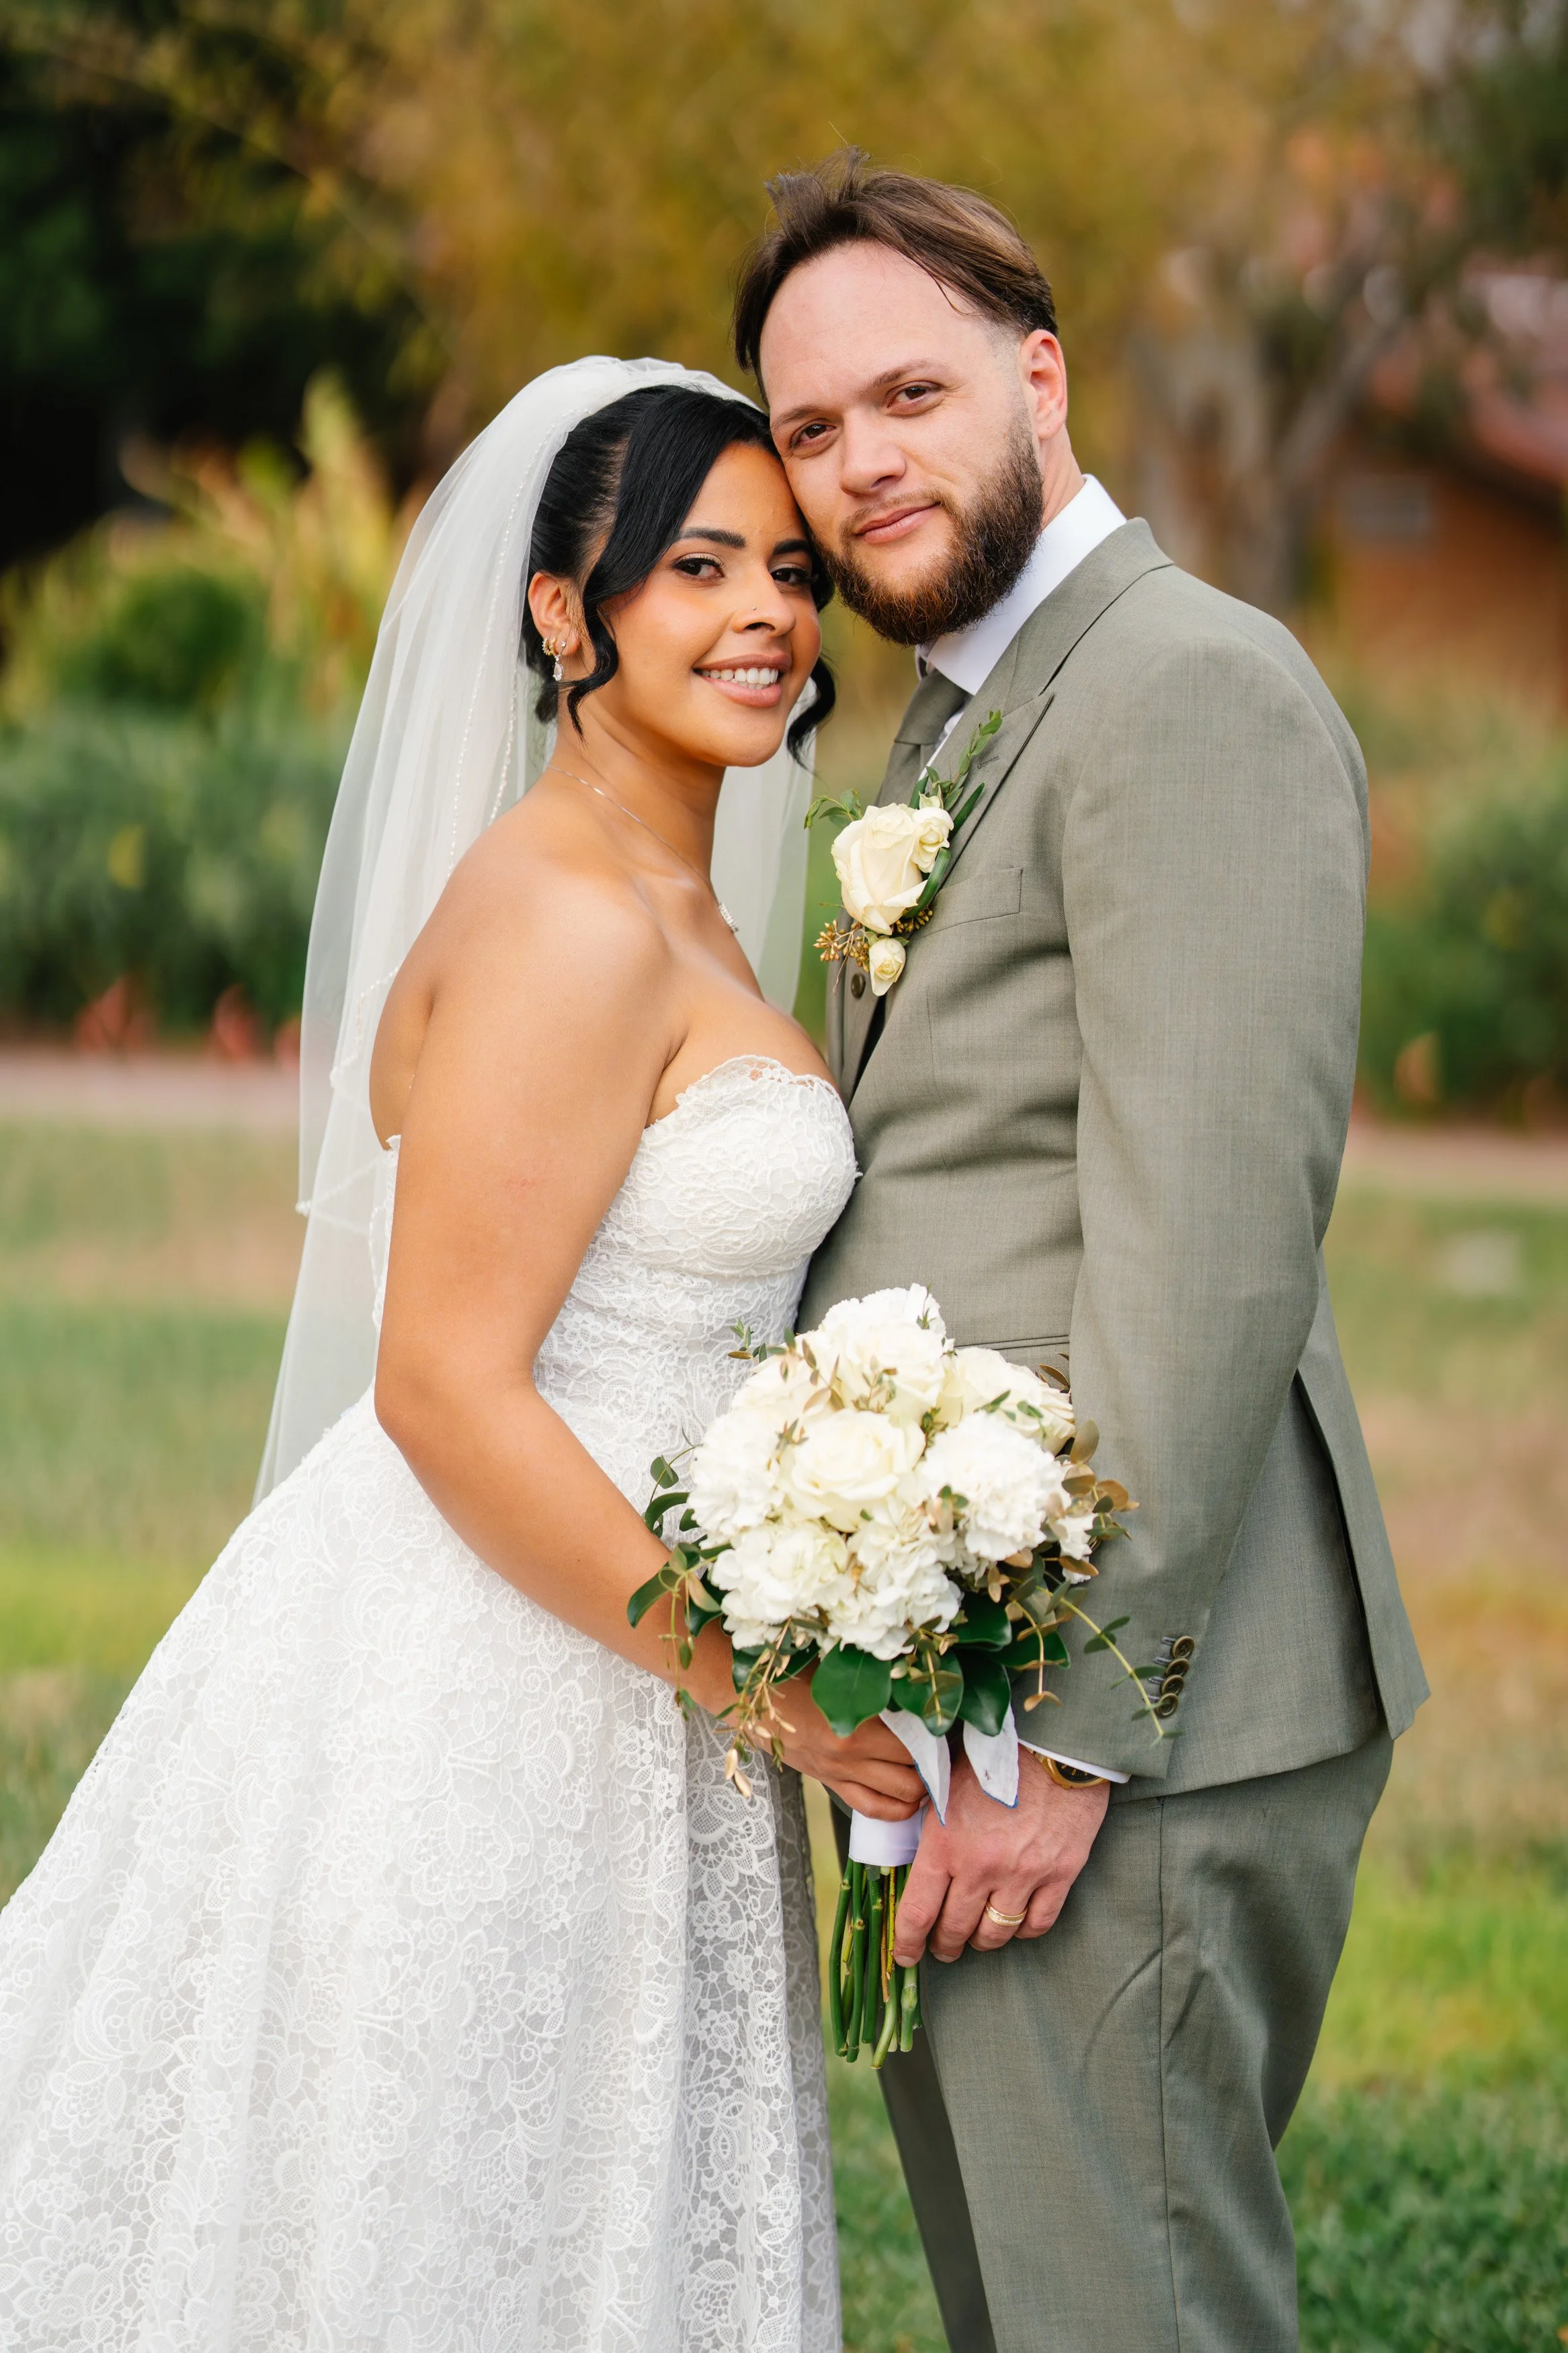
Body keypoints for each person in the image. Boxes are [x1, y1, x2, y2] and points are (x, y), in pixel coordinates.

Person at [0, 360, 925, 2351]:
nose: (765, 612)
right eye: (695, 567)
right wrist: (759, 1686)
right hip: (501, 1671)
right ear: (559, 610)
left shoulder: (676, 887)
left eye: (786, 567)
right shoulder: (569, 919)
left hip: (615, 1641)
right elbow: (439, 1379)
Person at [735, 155, 1429, 2353]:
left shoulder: (1185, 689)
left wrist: (1063, 1733)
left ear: (1040, 376)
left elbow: (1208, 1251)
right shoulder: (969, 715)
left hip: (1127, 1728)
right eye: (812, 432)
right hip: (975, 1696)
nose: (860, 465)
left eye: (908, 395)